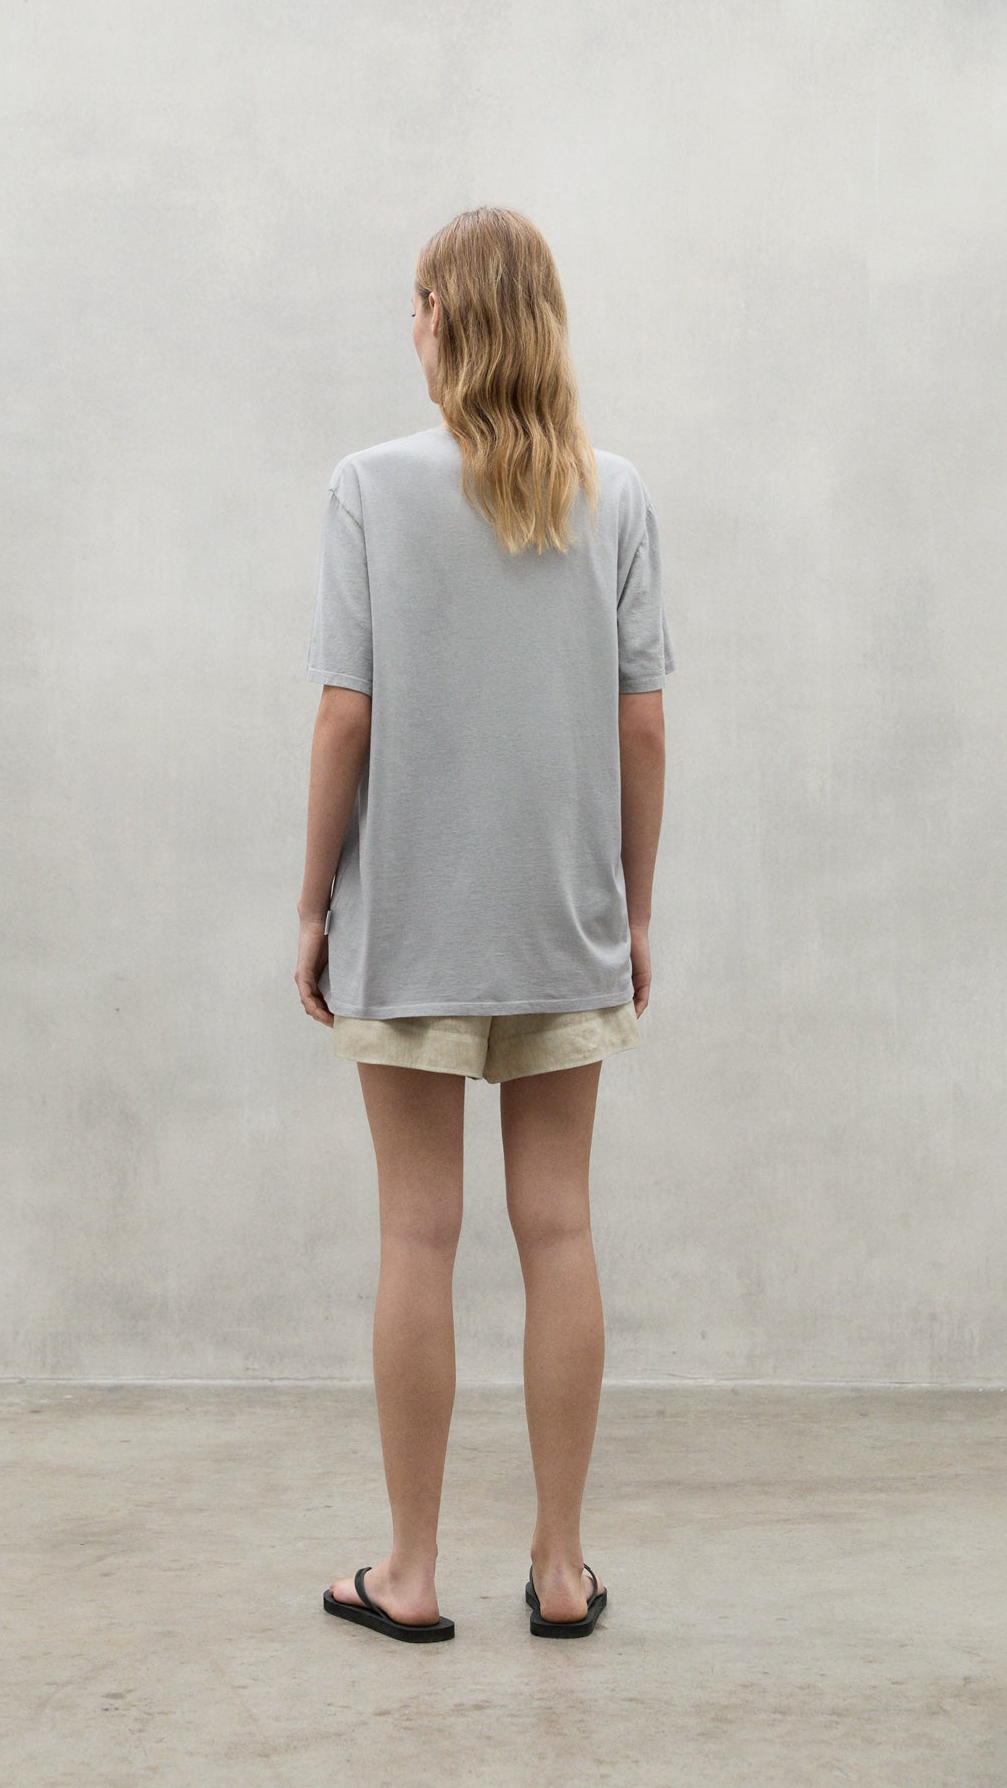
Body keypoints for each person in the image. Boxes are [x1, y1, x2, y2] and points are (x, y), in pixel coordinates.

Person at [298, 207, 674, 1642]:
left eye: (416, 304)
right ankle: (563, 1569)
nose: (410, 326)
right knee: (559, 1227)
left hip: (409, 921)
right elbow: (644, 727)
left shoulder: (369, 488)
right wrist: (633, 908)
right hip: (565, 917)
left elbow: (344, 716)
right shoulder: (615, 495)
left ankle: (409, 1574)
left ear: (444, 320)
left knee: (417, 1234)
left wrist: (312, 901)